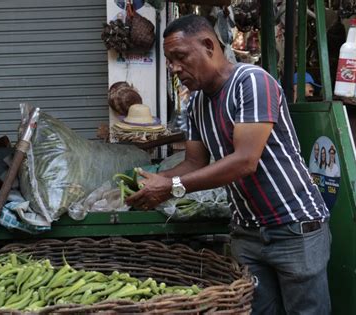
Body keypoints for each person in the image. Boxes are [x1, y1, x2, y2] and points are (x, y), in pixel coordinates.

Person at [125, 15, 330, 314]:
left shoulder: (252, 82)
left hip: (294, 227)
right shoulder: (195, 104)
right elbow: (194, 163)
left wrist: (172, 187)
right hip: (248, 234)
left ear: (209, 45)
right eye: (170, 61)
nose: (174, 68)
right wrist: (152, 180)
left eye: (180, 57)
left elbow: (245, 161)